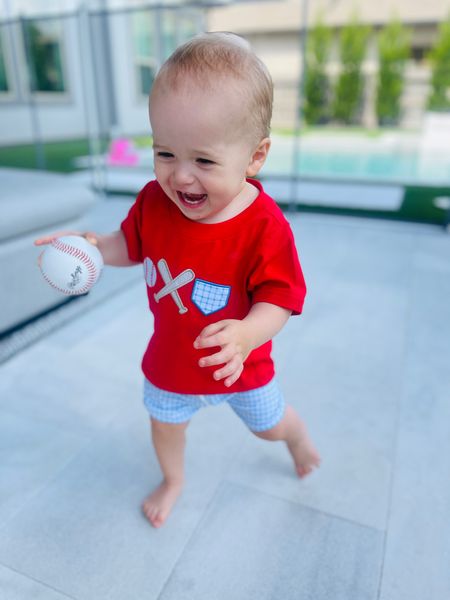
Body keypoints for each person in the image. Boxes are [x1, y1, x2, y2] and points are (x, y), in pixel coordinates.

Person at [35, 32, 320, 528]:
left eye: (204, 160)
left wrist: (247, 334)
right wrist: (93, 249)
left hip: (239, 366)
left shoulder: (265, 226)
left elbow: (280, 297)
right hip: (172, 361)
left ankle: (296, 437)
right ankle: (174, 480)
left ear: (255, 157)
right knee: (165, 426)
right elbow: (132, 243)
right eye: (165, 153)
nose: (181, 177)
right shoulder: (153, 202)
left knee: (268, 426)